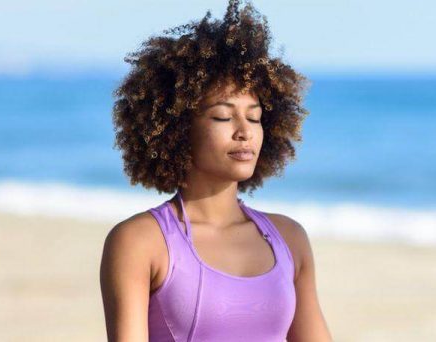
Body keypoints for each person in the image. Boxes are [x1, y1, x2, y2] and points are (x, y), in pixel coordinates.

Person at [99, 1, 332, 341]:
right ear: (176, 127)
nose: (245, 131)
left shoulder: (290, 239)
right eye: (223, 116)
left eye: (254, 117)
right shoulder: (139, 242)